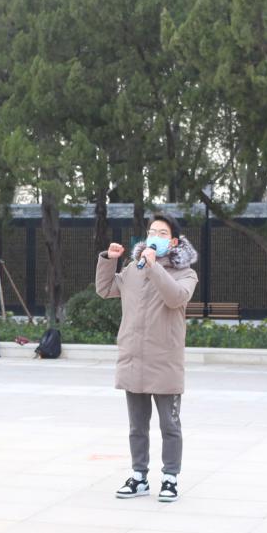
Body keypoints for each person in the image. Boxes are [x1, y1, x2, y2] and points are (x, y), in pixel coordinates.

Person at [96, 214, 198, 503]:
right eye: (152, 232)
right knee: (137, 426)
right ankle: (139, 476)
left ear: (173, 242)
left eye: (162, 233)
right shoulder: (134, 269)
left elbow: (175, 298)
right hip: (134, 358)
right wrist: (109, 260)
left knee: (170, 426)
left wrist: (154, 267)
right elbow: (105, 289)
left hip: (165, 360)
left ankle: (170, 477)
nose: (155, 236)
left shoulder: (186, 274)